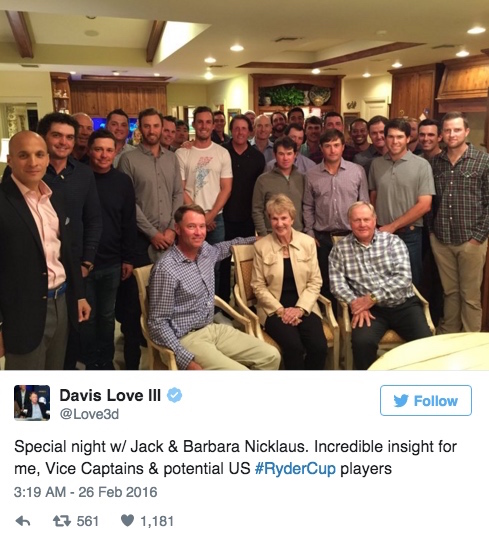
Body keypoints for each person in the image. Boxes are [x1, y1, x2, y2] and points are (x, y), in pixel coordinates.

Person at [148, 204, 281, 370]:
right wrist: (185, 360)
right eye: (191, 226)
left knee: (271, 356)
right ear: (178, 229)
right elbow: (157, 323)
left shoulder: (205, 250)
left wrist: (255, 239)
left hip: (210, 328)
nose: (198, 232)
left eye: (202, 226)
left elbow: (225, 247)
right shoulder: (166, 269)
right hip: (184, 339)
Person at [0, 131, 89, 370]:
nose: (33, 162)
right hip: (22, 313)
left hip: (62, 301)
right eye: (23, 155)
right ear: (10, 160)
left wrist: (79, 295)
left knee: (54, 377)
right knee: (27, 388)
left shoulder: (53, 197)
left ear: (48, 159)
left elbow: (66, 252)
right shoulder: (3, 201)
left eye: (39, 154)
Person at [329, 202, 432, 369]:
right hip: (370, 312)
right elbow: (337, 284)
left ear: (374, 220)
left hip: (403, 305)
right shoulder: (340, 249)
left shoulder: (393, 241)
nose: (362, 224)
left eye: (366, 219)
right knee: (363, 343)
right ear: (350, 222)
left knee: (426, 344)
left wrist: (372, 298)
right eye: (357, 220)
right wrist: (355, 303)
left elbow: (403, 278)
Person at [118, 107, 182, 369]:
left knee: (166, 299)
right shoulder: (128, 160)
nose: (152, 131)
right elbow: (128, 202)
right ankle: (133, 363)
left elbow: (178, 194)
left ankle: (166, 356)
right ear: (139, 128)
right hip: (140, 241)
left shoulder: (172, 159)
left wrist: (172, 229)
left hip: (170, 240)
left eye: (156, 126)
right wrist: (153, 233)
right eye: (147, 126)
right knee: (135, 304)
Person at [251, 194, 328, 370]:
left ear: (292, 219)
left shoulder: (307, 243)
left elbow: (315, 281)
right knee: (294, 348)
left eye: (284, 218)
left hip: (305, 305)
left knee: (318, 346)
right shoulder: (261, 247)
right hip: (273, 309)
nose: (279, 224)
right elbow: (258, 286)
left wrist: (300, 309)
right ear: (269, 220)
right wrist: (281, 310)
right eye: (274, 219)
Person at [82, 129, 137, 370]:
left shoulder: (123, 182)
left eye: (108, 150)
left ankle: (105, 362)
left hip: (113, 261)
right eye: (98, 149)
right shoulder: (80, 178)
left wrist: (128, 258)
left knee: (106, 316)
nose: (104, 155)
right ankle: (89, 361)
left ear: (115, 152)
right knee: (88, 317)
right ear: (89, 151)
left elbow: (128, 222)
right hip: (83, 262)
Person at [430, 112, 489, 333]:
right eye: (447, 130)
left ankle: (471, 343)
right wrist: (432, 232)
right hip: (442, 239)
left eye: (456, 130)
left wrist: (478, 237)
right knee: (450, 293)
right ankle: (450, 340)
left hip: (471, 239)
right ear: (441, 134)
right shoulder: (435, 163)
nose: (452, 134)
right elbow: (430, 200)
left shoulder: (483, 161)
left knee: (470, 296)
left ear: (466, 131)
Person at [303, 129, 369, 302]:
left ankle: (353, 313)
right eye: (328, 146)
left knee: (353, 280)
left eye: (336, 145)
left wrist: (364, 233)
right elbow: (308, 205)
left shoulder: (357, 171)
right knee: (325, 282)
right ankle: (330, 315)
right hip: (323, 238)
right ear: (321, 148)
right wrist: (309, 232)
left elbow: (364, 203)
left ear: (343, 147)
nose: (332, 150)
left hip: (351, 236)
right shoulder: (311, 174)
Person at [368, 118, 435, 287]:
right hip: (381, 234)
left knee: (410, 285)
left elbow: (425, 205)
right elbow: (373, 196)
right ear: (385, 138)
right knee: (381, 283)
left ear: (408, 138)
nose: (395, 141)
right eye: (390, 137)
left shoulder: (422, 165)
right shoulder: (376, 164)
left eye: (399, 137)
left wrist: (393, 226)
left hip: (409, 235)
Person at [220, 114, 265, 303]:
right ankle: (222, 301)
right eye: (236, 128)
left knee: (246, 262)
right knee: (222, 261)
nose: (240, 132)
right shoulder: (221, 152)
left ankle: (245, 302)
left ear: (250, 132)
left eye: (244, 128)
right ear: (231, 130)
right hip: (224, 216)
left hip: (248, 218)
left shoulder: (257, 157)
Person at [252, 136, 304, 236]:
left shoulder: (302, 178)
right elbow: (257, 210)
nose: (285, 158)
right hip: (271, 234)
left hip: (298, 234)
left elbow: (307, 208)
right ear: (274, 155)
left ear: (295, 155)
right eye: (281, 154)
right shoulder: (263, 180)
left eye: (289, 154)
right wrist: (263, 234)